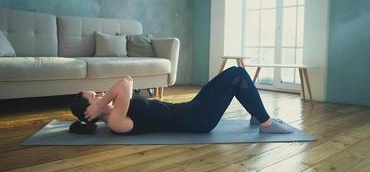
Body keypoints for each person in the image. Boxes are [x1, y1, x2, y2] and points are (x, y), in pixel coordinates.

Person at [69, 66, 293, 135]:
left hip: (190, 109)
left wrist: (98, 103)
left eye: (97, 95)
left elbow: (126, 80)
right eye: (94, 98)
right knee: (237, 76)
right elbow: (125, 83)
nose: (99, 96)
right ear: (90, 112)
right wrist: (101, 104)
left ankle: (257, 115)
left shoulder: (116, 109)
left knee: (235, 73)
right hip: (197, 120)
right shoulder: (115, 121)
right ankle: (266, 123)